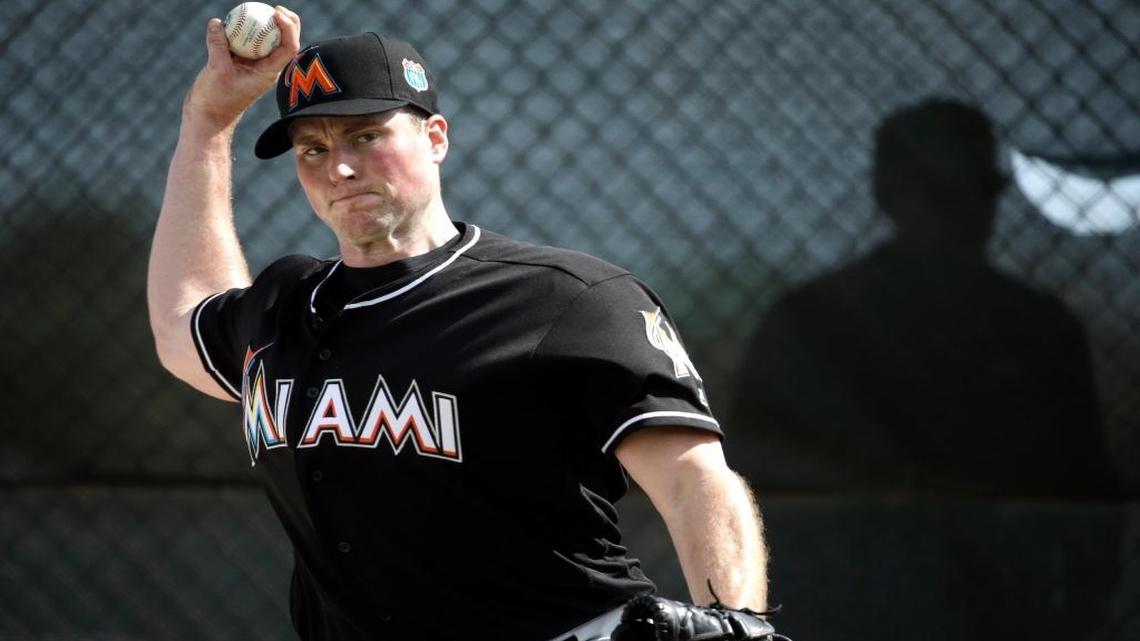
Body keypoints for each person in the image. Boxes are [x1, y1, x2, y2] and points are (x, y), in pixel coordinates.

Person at [147, 8, 767, 641]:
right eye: (314, 148)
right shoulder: (282, 307)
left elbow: (693, 481)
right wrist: (209, 120)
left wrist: (739, 624)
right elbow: (180, 323)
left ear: (436, 137)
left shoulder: (565, 299)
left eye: (366, 135)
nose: (341, 168)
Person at [730, 98, 1118, 498]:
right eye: (942, 194)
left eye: (981, 190)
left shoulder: (1040, 329)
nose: (966, 210)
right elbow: (756, 458)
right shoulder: (813, 322)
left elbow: (1086, 485)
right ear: (890, 194)